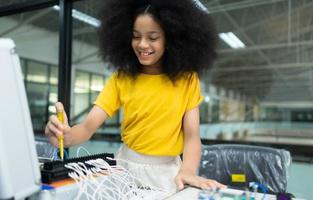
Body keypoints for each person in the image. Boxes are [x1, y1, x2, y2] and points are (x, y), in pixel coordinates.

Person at [45, 0, 225, 196]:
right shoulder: (121, 79)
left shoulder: (187, 80)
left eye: (153, 37)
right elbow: (88, 128)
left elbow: (191, 136)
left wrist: (188, 171)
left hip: (168, 174)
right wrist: (63, 135)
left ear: (171, 39)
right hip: (124, 170)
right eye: (136, 36)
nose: (142, 44)